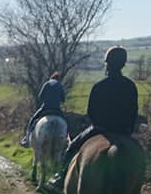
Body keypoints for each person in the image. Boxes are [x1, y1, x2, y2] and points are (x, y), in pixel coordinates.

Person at [50, 46, 138, 186]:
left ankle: (61, 177)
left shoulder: (99, 86)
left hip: (101, 129)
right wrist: (128, 130)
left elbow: (91, 112)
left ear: (107, 64)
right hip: (124, 131)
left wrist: (97, 124)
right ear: (123, 64)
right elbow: (134, 112)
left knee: (72, 147)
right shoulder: (131, 86)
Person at [21, 71, 66, 146]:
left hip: (45, 108)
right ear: (59, 79)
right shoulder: (60, 85)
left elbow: (40, 97)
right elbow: (63, 99)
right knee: (66, 123)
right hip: (57, 109)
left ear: (51, 77)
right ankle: (67, 140)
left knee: (32, 120)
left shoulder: (46, 83)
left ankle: (27, 139)